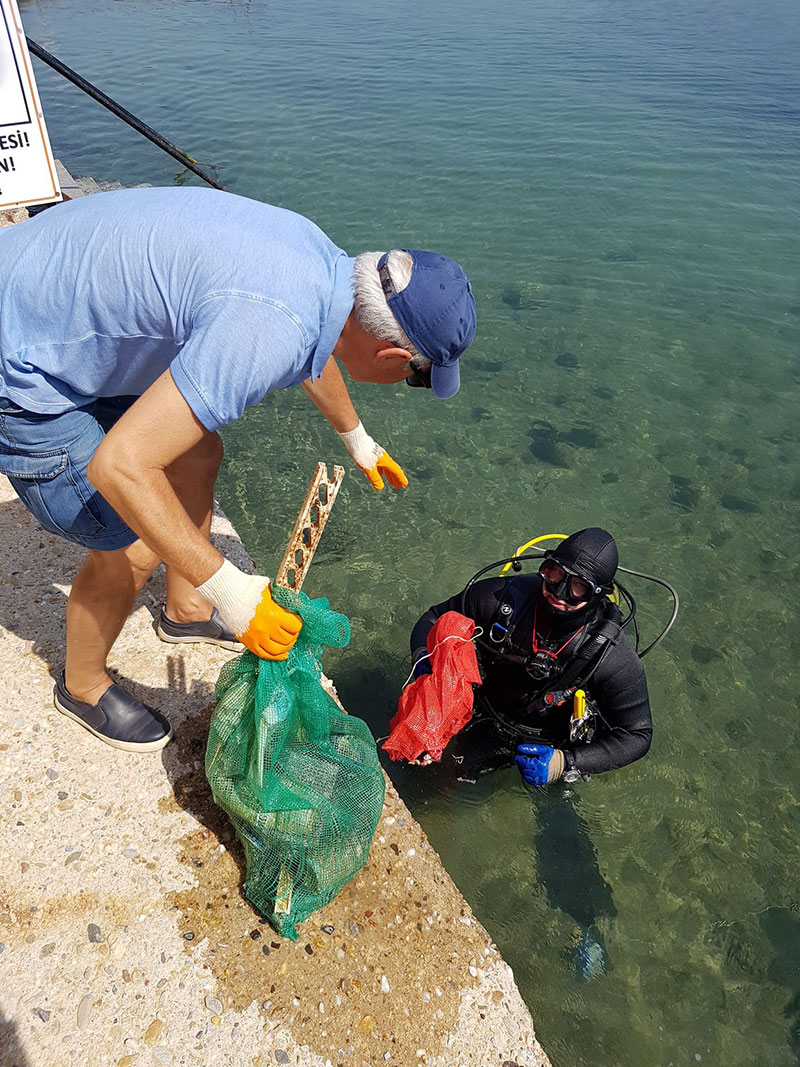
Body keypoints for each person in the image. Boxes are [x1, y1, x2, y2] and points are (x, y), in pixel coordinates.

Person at [0, 186, 476, 753]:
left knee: (199, 453)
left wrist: (357, 438)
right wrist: (231, 587)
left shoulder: (321, 266)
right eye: (418, 376)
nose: (411, 384)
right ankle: (82, 685)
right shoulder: (269, 327)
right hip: (23, 360)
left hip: (51, 298)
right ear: (394, 356)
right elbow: (120, 466)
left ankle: (185, 609)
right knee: (132, 532)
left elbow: (313, 346)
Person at [408, 527, 652, 784]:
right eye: (555, 573)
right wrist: (425, 664)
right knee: (432, 775)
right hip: (482, 707)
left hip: (550, 741)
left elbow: (637, 735)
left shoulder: (611, 656)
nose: (559, 593)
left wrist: (564, 762)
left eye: (579, 586)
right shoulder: (502, 600)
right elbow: (434, 618)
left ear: (597, 594)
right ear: (545, 567)